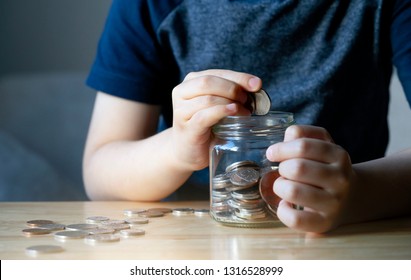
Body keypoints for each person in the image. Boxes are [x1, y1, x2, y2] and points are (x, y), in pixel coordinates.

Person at [83, 0, 411, 233]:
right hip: (195, 241)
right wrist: (177, 150)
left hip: (348, 235)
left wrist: (359, 192)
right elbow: (99, 173)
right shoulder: (147, 4)